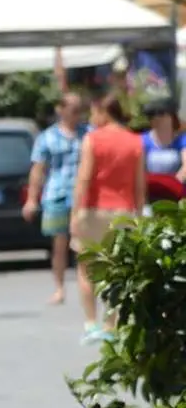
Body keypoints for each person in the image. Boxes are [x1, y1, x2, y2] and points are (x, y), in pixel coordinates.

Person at [71, 93, 148, 344]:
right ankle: (110, 324)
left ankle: (91, 323)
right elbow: (139, 185)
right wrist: (138, 215)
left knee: (86, 267)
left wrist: (75, 214)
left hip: (94, 210)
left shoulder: (92, 139)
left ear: (104, 112)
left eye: (94, 112)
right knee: (118, 269)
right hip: (124, 211)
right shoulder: (135, 142)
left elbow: (84, 179)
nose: (92, 118)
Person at [142, 101, 182, 184]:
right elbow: (139, 169)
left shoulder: (182, 140)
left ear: (171, 117)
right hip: (150, 187)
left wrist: (172, 184)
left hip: (175, 189)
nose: (157, 118)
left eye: (161, 114)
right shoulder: (143, 140)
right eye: (152, 115)